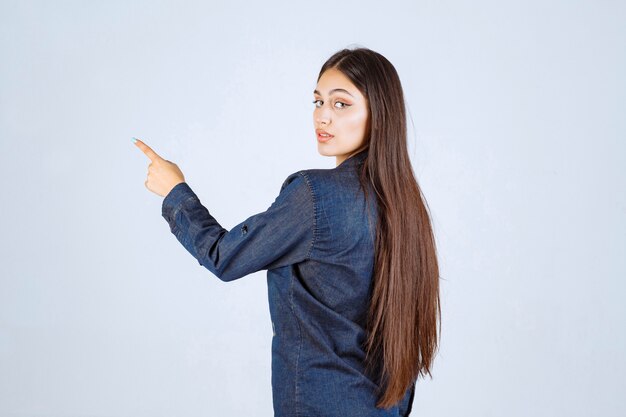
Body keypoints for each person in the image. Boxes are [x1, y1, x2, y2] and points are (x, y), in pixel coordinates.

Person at [133, 46, 441, 417]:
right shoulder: (407, 206)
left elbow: (224, 256)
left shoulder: (314, 196)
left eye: (341, 104)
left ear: (379, 114)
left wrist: (175, 191)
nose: (323, 116)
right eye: (317, 102)